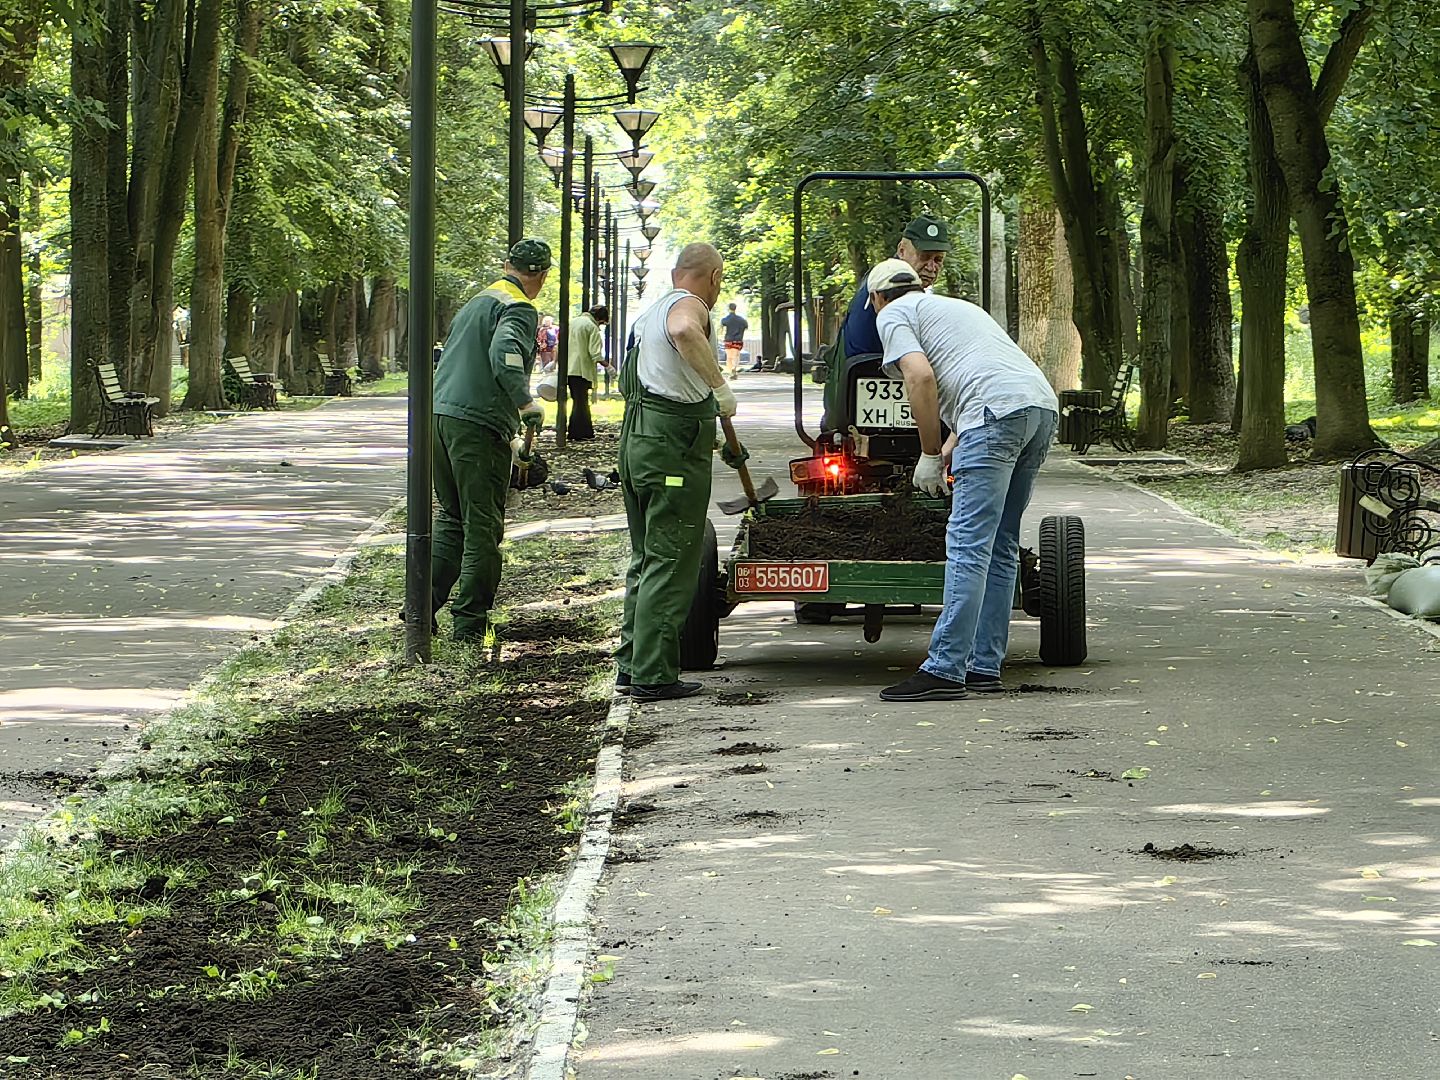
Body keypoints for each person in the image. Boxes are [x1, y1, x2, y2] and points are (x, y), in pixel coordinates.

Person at [864, 258, 1060, 703]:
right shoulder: (957, 309)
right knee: (1002, 544)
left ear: (876, 298)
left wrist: (930, 454)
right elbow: (984, 384)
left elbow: (920, 377)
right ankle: (984, 666)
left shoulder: (894, 313)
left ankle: (944, 669)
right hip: (1038, 409)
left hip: (994, 415)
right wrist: (948, 449)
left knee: (969, 545)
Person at [616, 243, 738, 702]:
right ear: (714, 277)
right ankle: (653, 675)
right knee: (671, 559)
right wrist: (719, 386)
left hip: (641, 444)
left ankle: (633, 664)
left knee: (647, 558)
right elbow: (687, 331)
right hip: (670, 452)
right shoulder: (690, 306)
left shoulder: (650, 312)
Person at [429, 238, 551, 643]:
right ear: (542, 276)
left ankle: (420, 607)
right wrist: (525, 401)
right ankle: (469, 625)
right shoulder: (517, 306)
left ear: (507, 264)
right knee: (482, 527)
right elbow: (506, 355)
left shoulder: (480, 299)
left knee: (452, 517)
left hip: (441, 417)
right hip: (477, 426)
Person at [822, 215, 951, 427]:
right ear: (902, 250)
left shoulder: (877, 278)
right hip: (862, 383)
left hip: (855, 393)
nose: (931, 267)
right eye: (924, 256)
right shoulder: (890, 286)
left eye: (938, 260)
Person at [566, 304, 609, 441]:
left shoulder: (573, 322)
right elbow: (595, 353)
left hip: (569, 368)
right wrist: (608, 366)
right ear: (599, 319)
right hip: (582, 369)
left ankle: (580, 430)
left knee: (578, 400)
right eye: (602, 323)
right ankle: (579, 431)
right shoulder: (592, 328)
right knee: (581, 402)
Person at [719, 302, 748, 379]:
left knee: (729, 357)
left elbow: (721, 327)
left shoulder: (725, 319)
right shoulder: (741, 320)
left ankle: (730, 372)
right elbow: (746, 326)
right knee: (736, 356)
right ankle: (734, 369)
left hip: (728, 339)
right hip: (738, 340)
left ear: (729, 309)